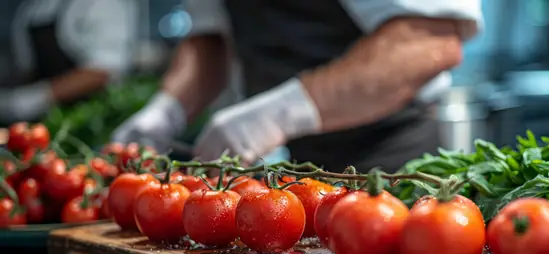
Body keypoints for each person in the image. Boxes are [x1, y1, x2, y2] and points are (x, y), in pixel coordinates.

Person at [112, 0, 483, 174]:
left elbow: (427, 43)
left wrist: (276, 115)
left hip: (395, 167)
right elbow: (210, 36)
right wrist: (166, 111)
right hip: (304, 172)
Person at [0, 0, 137, 125]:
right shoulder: (31, 8)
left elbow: (102, 71)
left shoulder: (102, 4)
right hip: (41, 124)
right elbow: (26, 68)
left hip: (94, 121)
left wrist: (35, 98)